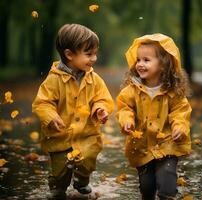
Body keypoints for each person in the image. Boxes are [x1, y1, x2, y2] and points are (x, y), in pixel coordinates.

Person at [32, 24, 114, 199]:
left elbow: (102, 97)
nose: (94, 58)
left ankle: (82, 181)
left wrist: (100, 108)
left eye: (95, 53)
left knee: (87, 161)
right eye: (88, 54)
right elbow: (42, 103)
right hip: (61, 135)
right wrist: (51, 117)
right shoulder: (54, 80)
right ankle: (57, 188)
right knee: (60, 169)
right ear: (69, 55)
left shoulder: (94, 79)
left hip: (86, 133)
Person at [116, 33, 192, 200]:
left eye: (146, 60)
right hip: (142, 145)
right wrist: (127, 120)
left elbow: (180, 112)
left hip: (167, 143)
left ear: (163, 65)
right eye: (138, 60)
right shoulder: (131, 91)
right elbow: (124, 108)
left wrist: (180, 127)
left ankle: (167, 195)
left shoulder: (173, 92)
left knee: (167, 181)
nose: (140, 64)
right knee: (147, 186)